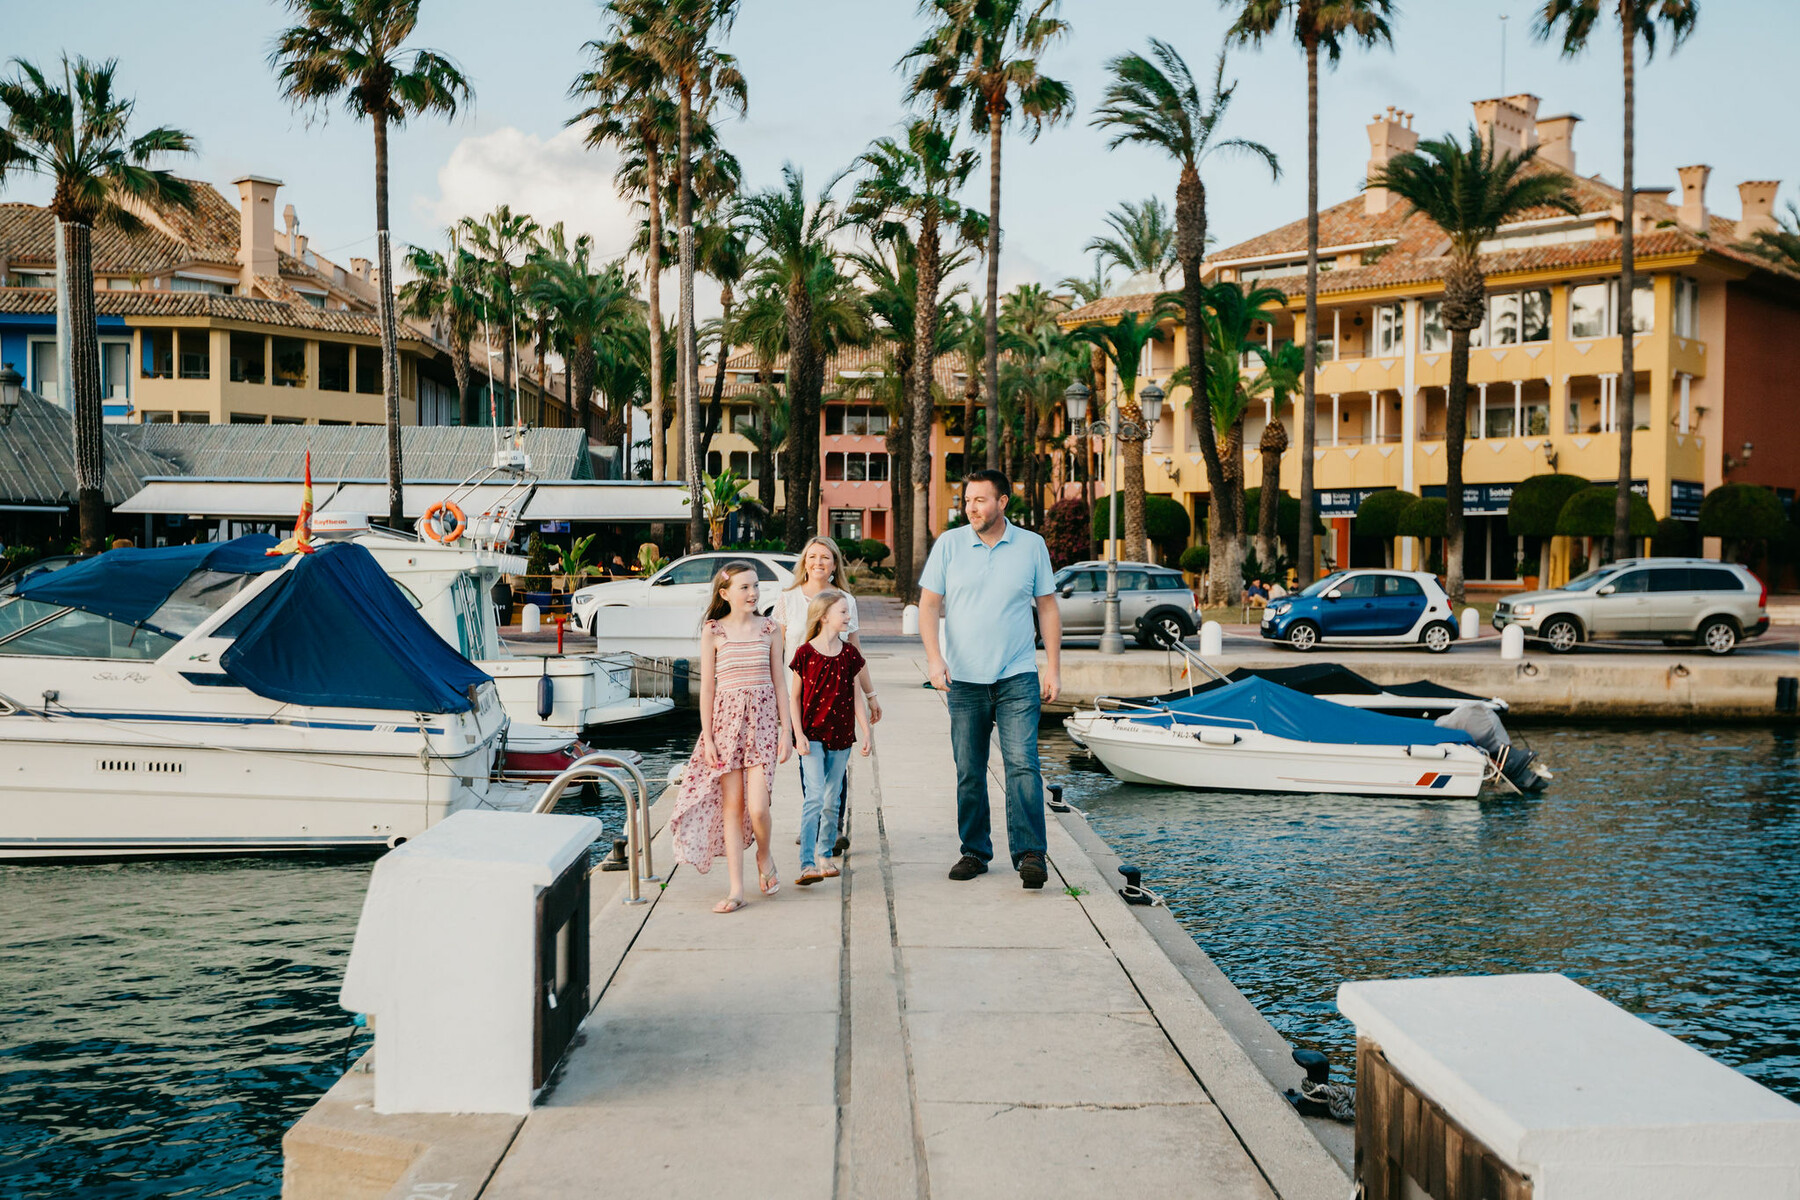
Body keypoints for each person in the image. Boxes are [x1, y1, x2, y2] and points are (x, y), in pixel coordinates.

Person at [919, 469, 1061, 889]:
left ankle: (1031, 853)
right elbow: (928, 606)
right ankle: (975, 851)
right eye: (967, 500)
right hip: (964, 679)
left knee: (1023, 766)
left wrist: (1052, 666)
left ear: (1003, 502)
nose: (971, 507)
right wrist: (934, 659)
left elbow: (1047, 608)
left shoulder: (1031, 546)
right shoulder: (949, 544)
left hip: (1017, 674)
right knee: (969, 768)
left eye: (980, 500)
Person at [669, 561, 791, 913]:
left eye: (755, 586)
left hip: (764, 725)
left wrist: (787, 731)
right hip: (725, 727)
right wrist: (707, 737)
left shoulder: (770, 628)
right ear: (725, 594)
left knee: (758, 807)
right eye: (745, 587)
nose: (753, 593)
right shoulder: (713, 631)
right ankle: (736, 889)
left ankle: (764, 855)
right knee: (732, 809)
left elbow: (780, 683)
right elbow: (707, 687)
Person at [775, 535, 880, 857]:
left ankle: (831, 828)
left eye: (825, 557)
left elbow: (856, 652)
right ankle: (814, 821)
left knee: (837, 764)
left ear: (835, 565)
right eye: (812, 556)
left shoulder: (845, 600)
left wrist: (870, 694)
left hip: (837, 696)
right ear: (804, 562)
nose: (818, 562)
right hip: (799, 695)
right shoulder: (787, 598)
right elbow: (777, 651)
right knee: (809, 761)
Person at [787, 589, 872, 886]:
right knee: (814, 797)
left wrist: (866, 732)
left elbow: (855, 695)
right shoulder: (805, 654)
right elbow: (794, 698)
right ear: (824, 617)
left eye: (848, 612)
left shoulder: (849, 654)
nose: (848, 617)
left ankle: (825, 856)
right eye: (843, 613)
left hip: (841, 736)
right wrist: (796, 734)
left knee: (832, 798)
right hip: (810, 736)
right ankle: (807, 863)